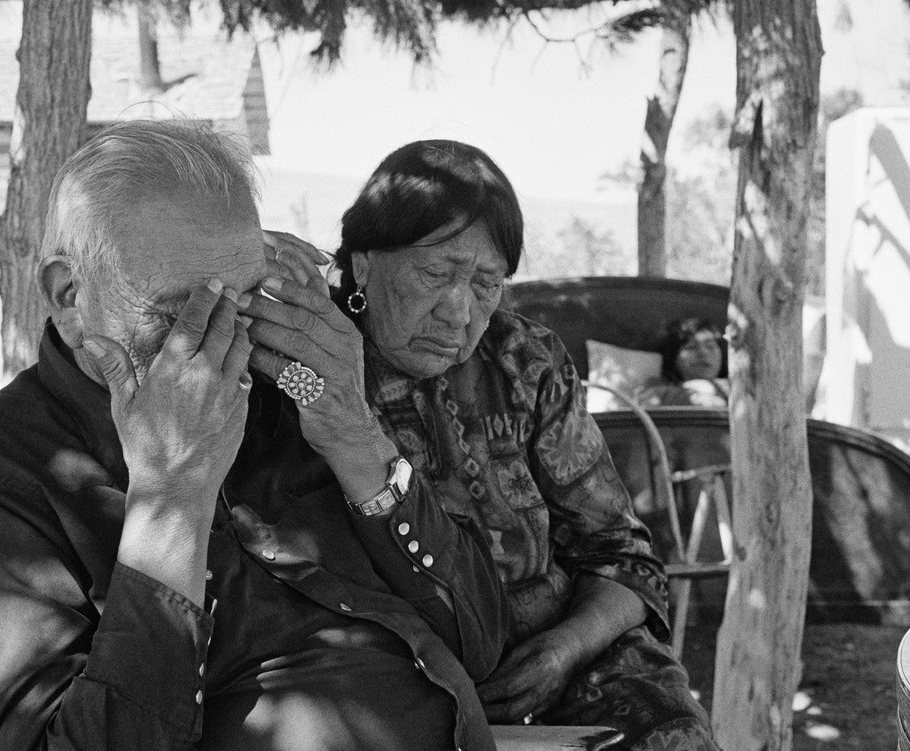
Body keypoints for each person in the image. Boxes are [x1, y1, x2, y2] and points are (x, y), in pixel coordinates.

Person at [0, 120, 509, 751]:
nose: (227, 341)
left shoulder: (288, 401)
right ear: (70, 297)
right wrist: (172, 498)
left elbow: (479, 641)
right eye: (187, 311)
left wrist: (356, 437)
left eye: (246, 300)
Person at [273, 139, 718, 749]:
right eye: (436, 274)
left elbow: (621, 554)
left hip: (566, 657)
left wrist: (563, 650)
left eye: (487, 284)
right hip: (396, 669)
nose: (459, 313)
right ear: (365, 262)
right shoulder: (310, 353)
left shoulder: (526, 361)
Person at [636, 318, 729, 409]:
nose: (703, 353)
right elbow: (645, 401)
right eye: (691, 347)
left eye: (710, 346)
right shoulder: (656, 389)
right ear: (673, 357)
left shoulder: (733, 386)